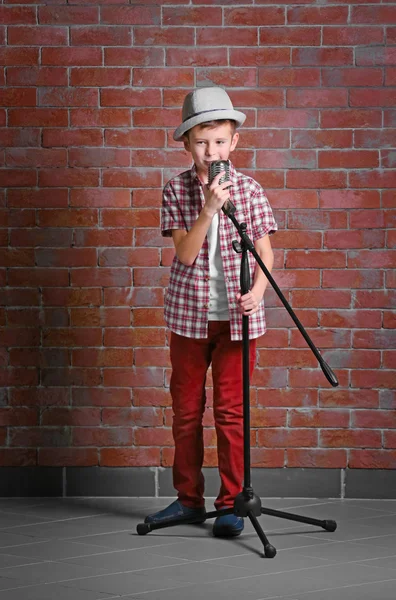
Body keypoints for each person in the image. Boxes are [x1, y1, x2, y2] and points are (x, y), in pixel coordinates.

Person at [145, 86, 277, 537]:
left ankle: (230, 504)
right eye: (202, 142)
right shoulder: (177, 190)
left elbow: (265, 253)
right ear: (186, 144)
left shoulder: (250, 189)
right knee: (185, 411)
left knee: (230, 413)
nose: (211, 150)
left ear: (234, 142)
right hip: (189, 318)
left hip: (238, 323)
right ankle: (187, 499)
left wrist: (258, 290)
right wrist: (208, 209)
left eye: (220, 141)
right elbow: (184, 253)